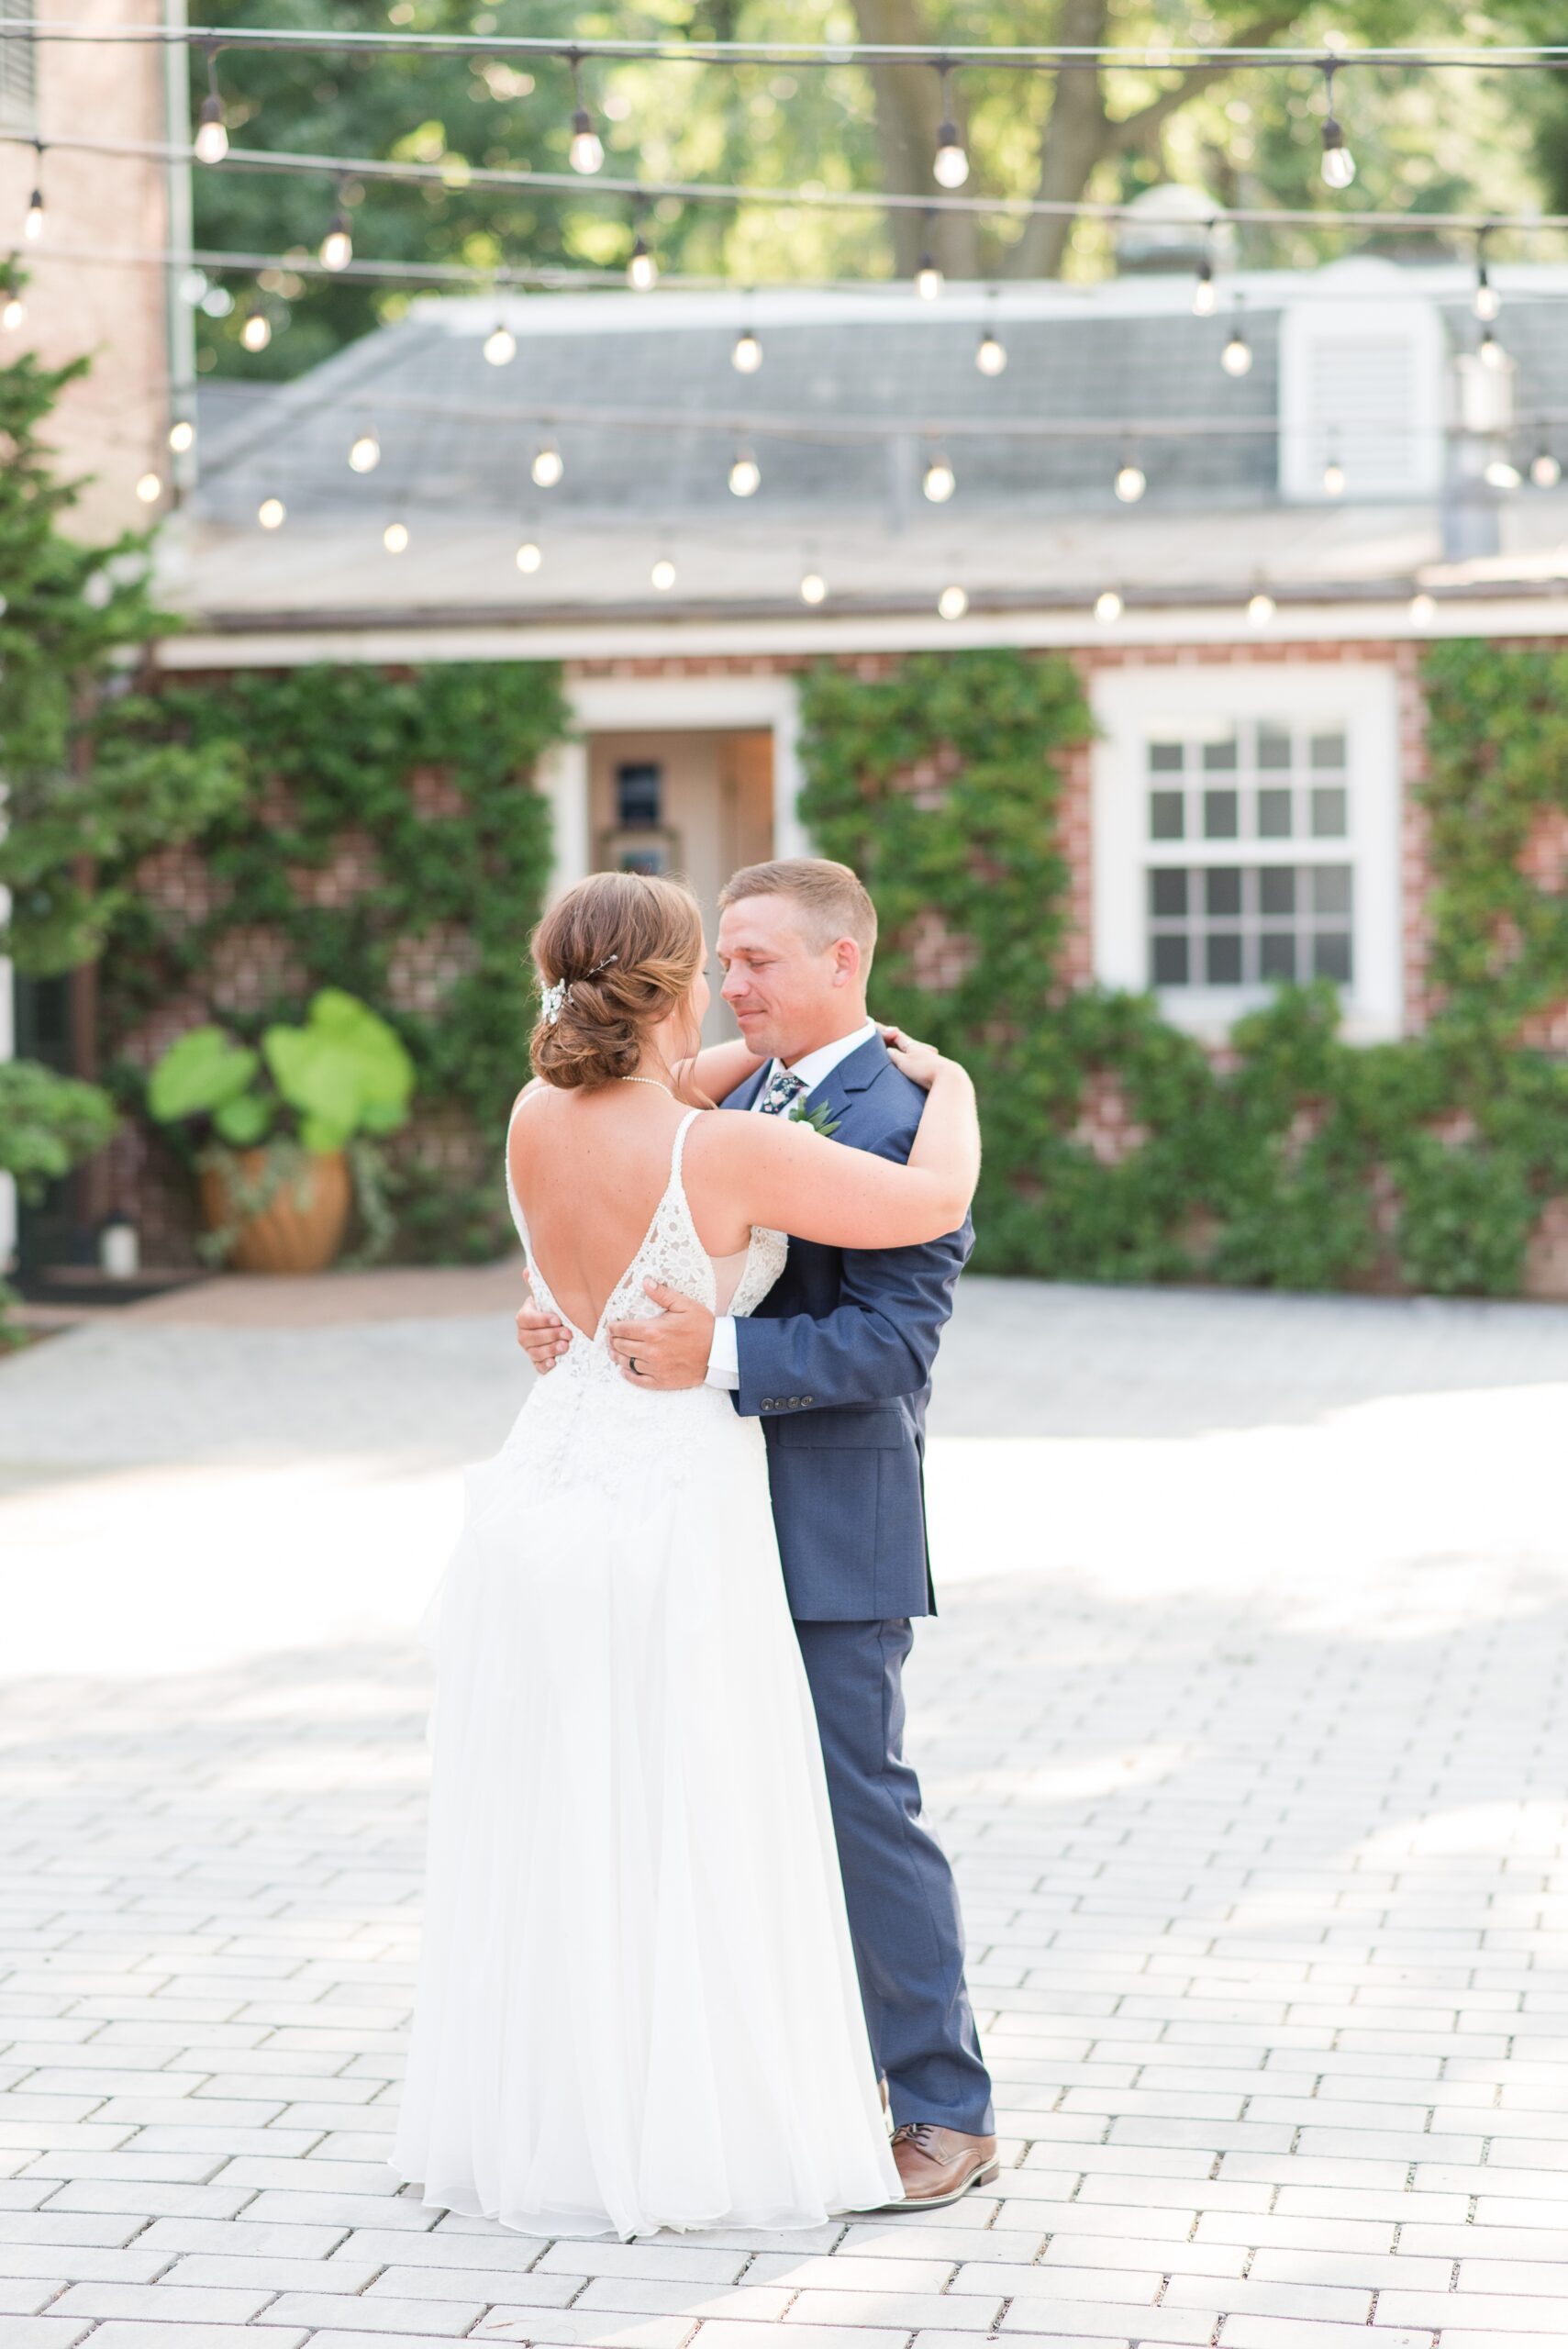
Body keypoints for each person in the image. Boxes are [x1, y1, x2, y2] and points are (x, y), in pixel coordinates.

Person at [388, 865, 982, 2242]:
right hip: (676, 1509)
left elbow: (898, 1336)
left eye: (760, 961)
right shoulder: (727, 1116)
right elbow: (884, 1191)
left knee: (843, 1807)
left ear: (846, 959)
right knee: (681, 1815)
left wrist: (667, 1340)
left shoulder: (649, 1104)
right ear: (667, 988)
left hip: (786, 1508)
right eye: (715, 961)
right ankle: (714, 2101)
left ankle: (942, 2106)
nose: (734, 984)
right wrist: (966, 1095)